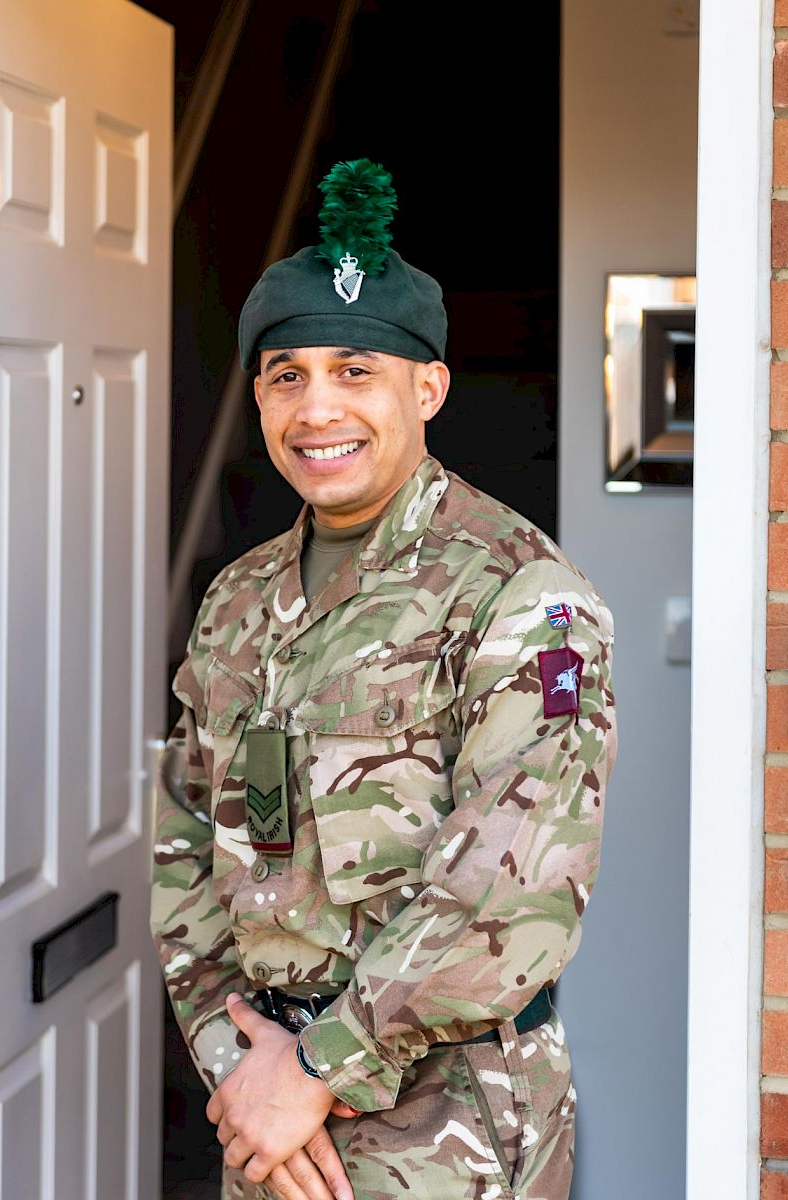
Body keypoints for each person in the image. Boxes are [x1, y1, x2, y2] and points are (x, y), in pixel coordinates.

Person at [151, 160, 617, 1200]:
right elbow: (185, 839)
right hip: (269, 1126)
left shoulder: (521, 593)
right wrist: (239, 1068)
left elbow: (518, 882)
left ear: (428, 386)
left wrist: (319, 1069)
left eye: (355, 370)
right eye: (287, 375)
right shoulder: (238, 597)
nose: (317, 409)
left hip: (449, 1127)